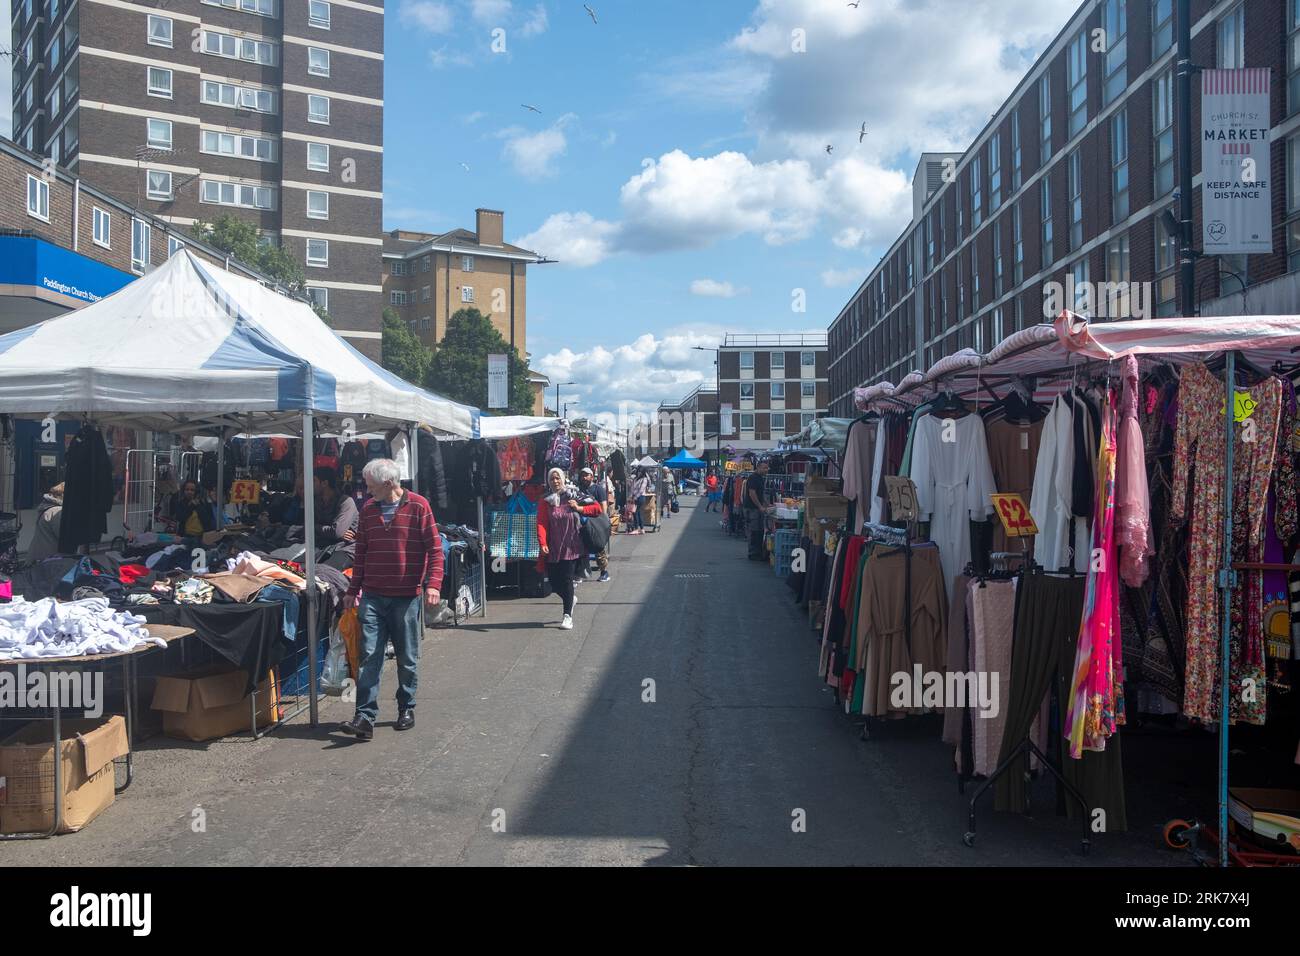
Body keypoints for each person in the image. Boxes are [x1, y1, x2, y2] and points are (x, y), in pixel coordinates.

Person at [339, 459, 443, 740]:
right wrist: (352, 590)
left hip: (406, 596)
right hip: (372, 595)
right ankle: (364, 716)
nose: (367, 490)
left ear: (388, 484)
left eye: (371, 486)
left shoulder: (419, 505)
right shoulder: (369, 510)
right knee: (368, 656)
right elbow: (360, 554)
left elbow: (435, 549)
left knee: (407, 657)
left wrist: (433, 584)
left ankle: (406, 707)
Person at [537, 467, 603, 629]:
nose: (555, 481)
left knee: (567, 580)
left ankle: (567, 616)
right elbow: (541, 523)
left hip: (573, 546)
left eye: (557, 478)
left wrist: (579, 508)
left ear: (563, 478)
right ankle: (570, 598)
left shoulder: (574, 494)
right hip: (554, 546)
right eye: (552, 479)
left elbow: (597, 509)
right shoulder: (545, 500)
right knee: (553, 581)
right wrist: (543, 543)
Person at [313, 467, 359, 570]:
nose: (310, 484)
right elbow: (307, 526)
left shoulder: (346, 502)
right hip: (323, 545)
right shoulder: (316, 501)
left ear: (324, 483)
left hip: (345, 548)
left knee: (323, 571)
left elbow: (336, 532)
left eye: (314, 481)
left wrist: (315, 527)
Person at [576, 466, 612, 582]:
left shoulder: (598, 489)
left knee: (599, 548)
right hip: (583, 523)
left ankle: (604, 572)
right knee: (581, 548)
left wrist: (603, 523)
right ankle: (580, 573)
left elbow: (603, 508)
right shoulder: (578, 489)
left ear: (592, 476)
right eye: (582, 475)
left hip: (596, 523)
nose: (584, 477)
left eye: (586, 475)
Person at [28, 483, 64, 562]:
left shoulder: (47, 507)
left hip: (39, 559)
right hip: (49, 562)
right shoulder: (57, 511)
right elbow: (65, 538)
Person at [744, 458, 770, 560]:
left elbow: (760, 494)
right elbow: (752, 493)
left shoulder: (760, 478)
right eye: (764, 468)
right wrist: (760, 506)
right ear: (758, 467)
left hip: (757, 508)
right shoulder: (753, 478)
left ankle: (758, 552)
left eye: (767, 468)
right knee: (754, 531)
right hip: (752, 509)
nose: (766, 470)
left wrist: (767, 504)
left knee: (759, 531)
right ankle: (753, 553)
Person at [627, 467, 651, 533]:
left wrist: (635, 498)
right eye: (638, 471)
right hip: (634, 497)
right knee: (638, 512)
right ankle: (642, 528)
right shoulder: (635, 478)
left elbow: (641, 490)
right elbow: (632, 489)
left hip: (640, 497)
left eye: (640, 472)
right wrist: (630, 497)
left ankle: (636, 528)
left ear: (643, 472)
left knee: (636, 512)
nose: (639, 473)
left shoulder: (644, 479)